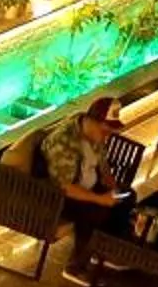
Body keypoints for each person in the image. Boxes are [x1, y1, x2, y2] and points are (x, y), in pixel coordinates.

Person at [41, 95, 135, 259]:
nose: (107, 137)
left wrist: (113, 187)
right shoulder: (64, 142)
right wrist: (99, 199)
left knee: (127, 196)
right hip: (63, 197)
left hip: (90, 186)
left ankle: (107, 249)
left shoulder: (94, 134)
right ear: (92, 121)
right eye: (105, 131)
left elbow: (103, 165)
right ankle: (77, 264)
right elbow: (64, 186)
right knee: (95, 210)